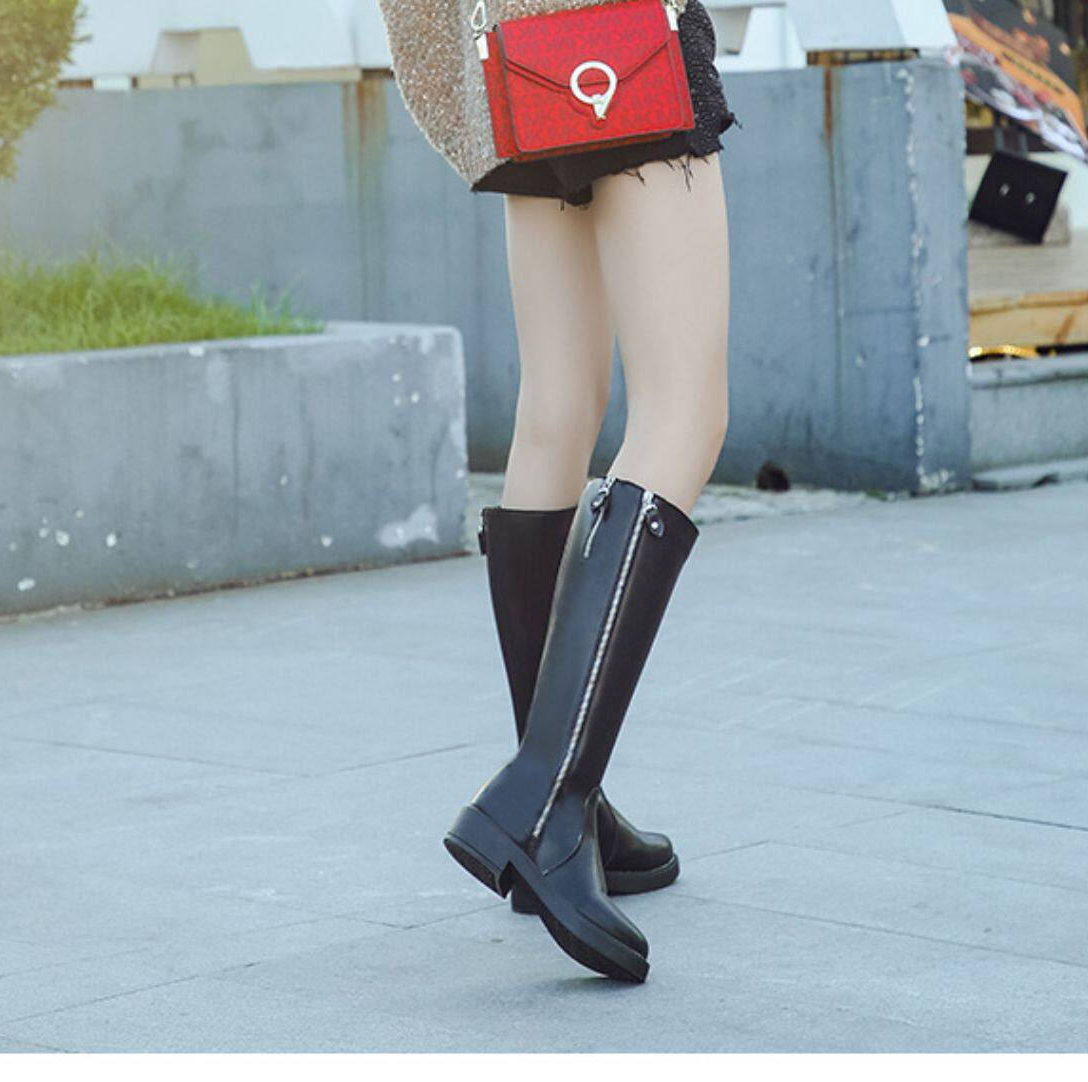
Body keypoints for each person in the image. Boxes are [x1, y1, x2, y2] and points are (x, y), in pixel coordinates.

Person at [377, 0, 735, 983]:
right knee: (684, 412)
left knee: (560, 404)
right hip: (619, 36)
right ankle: (546, 797)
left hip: (512, 44)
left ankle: (568, 795)